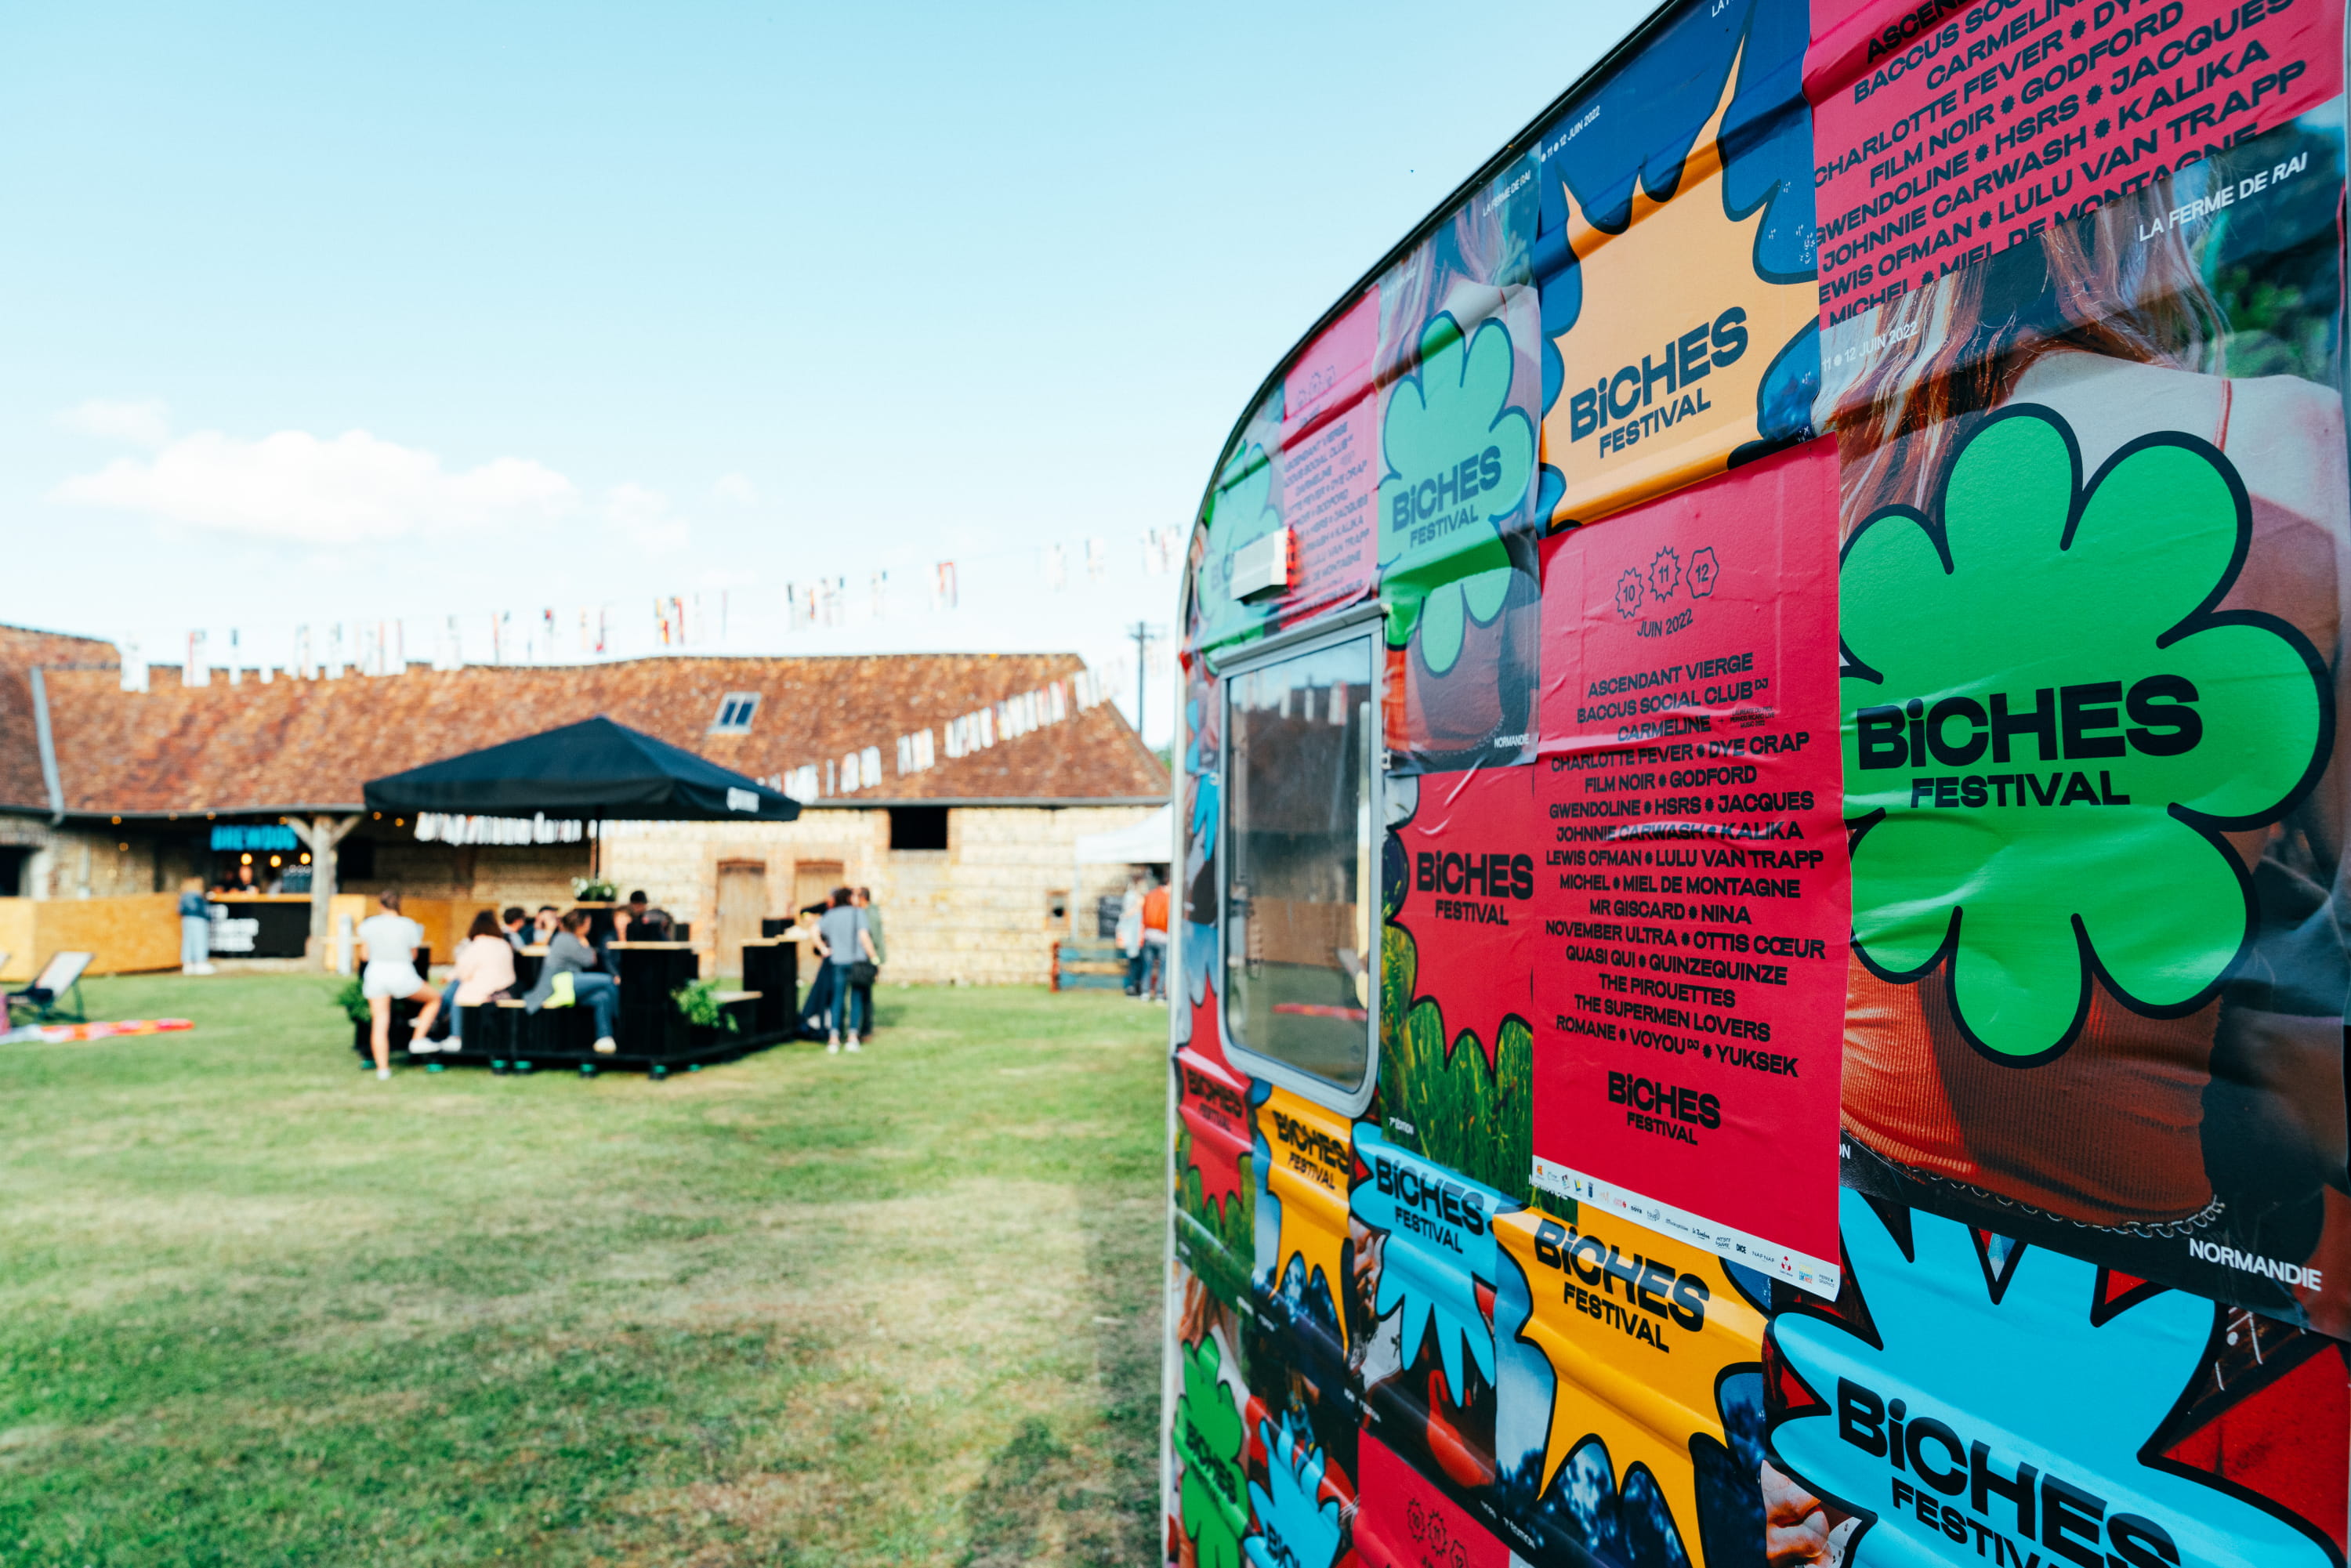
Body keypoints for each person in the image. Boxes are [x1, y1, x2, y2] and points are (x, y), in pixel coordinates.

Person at [357, 889, 439, 1081]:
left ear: (380, 905)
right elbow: (414, 955)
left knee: (380, 1022)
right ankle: (418, 1039)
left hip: (376, 974)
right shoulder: (409, 925)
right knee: (435, 998)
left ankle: (383, 1069)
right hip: (402, 974)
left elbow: (364, 956)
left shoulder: (369, 924)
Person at [521, 907, 618, 1054]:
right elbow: (589, 960)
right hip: (560, 984)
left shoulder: (566, 938)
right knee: (609, 981)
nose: (590, 927)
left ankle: (604, 1038)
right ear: (581, 924)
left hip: (568, 986)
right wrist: (585, 943)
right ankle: (621, 1021)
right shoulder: (566, 939)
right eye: (588, 923)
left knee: (602, 997)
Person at [426, 909, 516, 1051]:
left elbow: (463, 972)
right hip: (505, 989)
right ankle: (436, 1017)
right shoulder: (504, 944)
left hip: (485, 992)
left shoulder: (477, 945)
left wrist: (450, 977)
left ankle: (451, 1032)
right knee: (455, 987)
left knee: (457, 990)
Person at [812, 886, 876, 1054]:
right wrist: (874, 957)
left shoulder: (831, 915)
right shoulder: (858, 913)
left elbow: (814, 930)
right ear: (848, 898)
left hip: (838, 961)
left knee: (837, 999)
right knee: (856, 999)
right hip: (857, 962)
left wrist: (824, 949)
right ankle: (852, 1037)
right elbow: (864, 937)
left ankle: (834, 1038)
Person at [849, 886, 885, 1037]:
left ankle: (863, 1029)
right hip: (867, 958)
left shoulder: (868, 914)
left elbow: (872, 939)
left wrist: (875, 960)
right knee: (864, 995)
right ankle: (863, 1029)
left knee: (862, 995)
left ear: (862, 898)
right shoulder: (869, 912)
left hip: (866, 959)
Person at [1140, 872, 1170, 1002]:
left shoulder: (1149, 895)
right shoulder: (1168, 898)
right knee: (1163, 967)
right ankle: (1159, 993)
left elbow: (1144, 914)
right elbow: (1168, 916)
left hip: (1148, 935)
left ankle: (1145, 992)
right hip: (1163, 936)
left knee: (1147, 966)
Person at [1117, 871, 1147, 994]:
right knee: (1134, 962)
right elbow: (1127, 914)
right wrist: (1138, 906)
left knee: (1139, 962)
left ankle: (1137, 986)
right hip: (1133, 934)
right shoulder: (1131, 896)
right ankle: (1132, 987)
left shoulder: (1139, 896)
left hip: (1139, 934)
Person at [177, 876, 213, 976]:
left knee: (188, 942)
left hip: (186, 919)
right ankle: (200, 963)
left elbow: (179, 910)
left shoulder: (183, 896)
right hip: (199, 920)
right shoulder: (198, 896)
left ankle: (187, 964)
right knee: (200, 941)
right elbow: (203, 910)